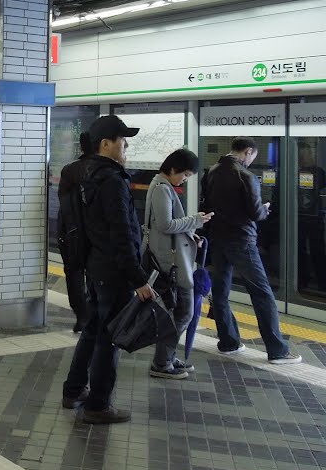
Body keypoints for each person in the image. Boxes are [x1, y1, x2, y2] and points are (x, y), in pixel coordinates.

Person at [61, 115, 148, 424]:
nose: (125, 148)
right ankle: (98, 405)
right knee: (110, 337)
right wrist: (138, 278)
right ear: (105, 144)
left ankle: (73, 390)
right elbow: (122, 232)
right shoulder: (112, 180)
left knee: (94, 329)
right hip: (113, 270)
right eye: (122, 142)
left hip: (97, 266)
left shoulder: (87, 175)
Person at [202, 137, 301, 364]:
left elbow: (206, 205)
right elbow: (256, 213)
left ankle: (229, 342)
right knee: (262, 293)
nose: (251, 160)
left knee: (220, 292)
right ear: (248, 152)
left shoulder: (213, 171)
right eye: (253, 156)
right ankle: (277, 350)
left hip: (217, 239)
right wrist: (265, 209)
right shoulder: (246, 176)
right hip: (242, 241)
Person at [144, 148, 213, 379]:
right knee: (183, 312)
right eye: (184, 175)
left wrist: (190, 232)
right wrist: (195, 220)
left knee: (180, 312)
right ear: (173, 169)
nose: (184, 180)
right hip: (170, 264)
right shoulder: (162, 189)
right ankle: (162, 362)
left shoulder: (161, 186)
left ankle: (167, 358)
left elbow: (167, 226)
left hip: (171, 260)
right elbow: (165, 225)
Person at [56, 131, 94, 332]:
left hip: (70, 231)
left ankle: (82, 316)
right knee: (93, 274)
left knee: (74, 274)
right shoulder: (102, 171)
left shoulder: (69, 170)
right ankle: (91, 315)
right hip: (92, 233)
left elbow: (64, 200)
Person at [297, 142, 326, 294]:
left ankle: (310, 281)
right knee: (313, 250)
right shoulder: (317, 171)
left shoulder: (311, 172)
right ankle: (319, 283)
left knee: (312, 250)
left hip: (307, 216)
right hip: (309, 216)